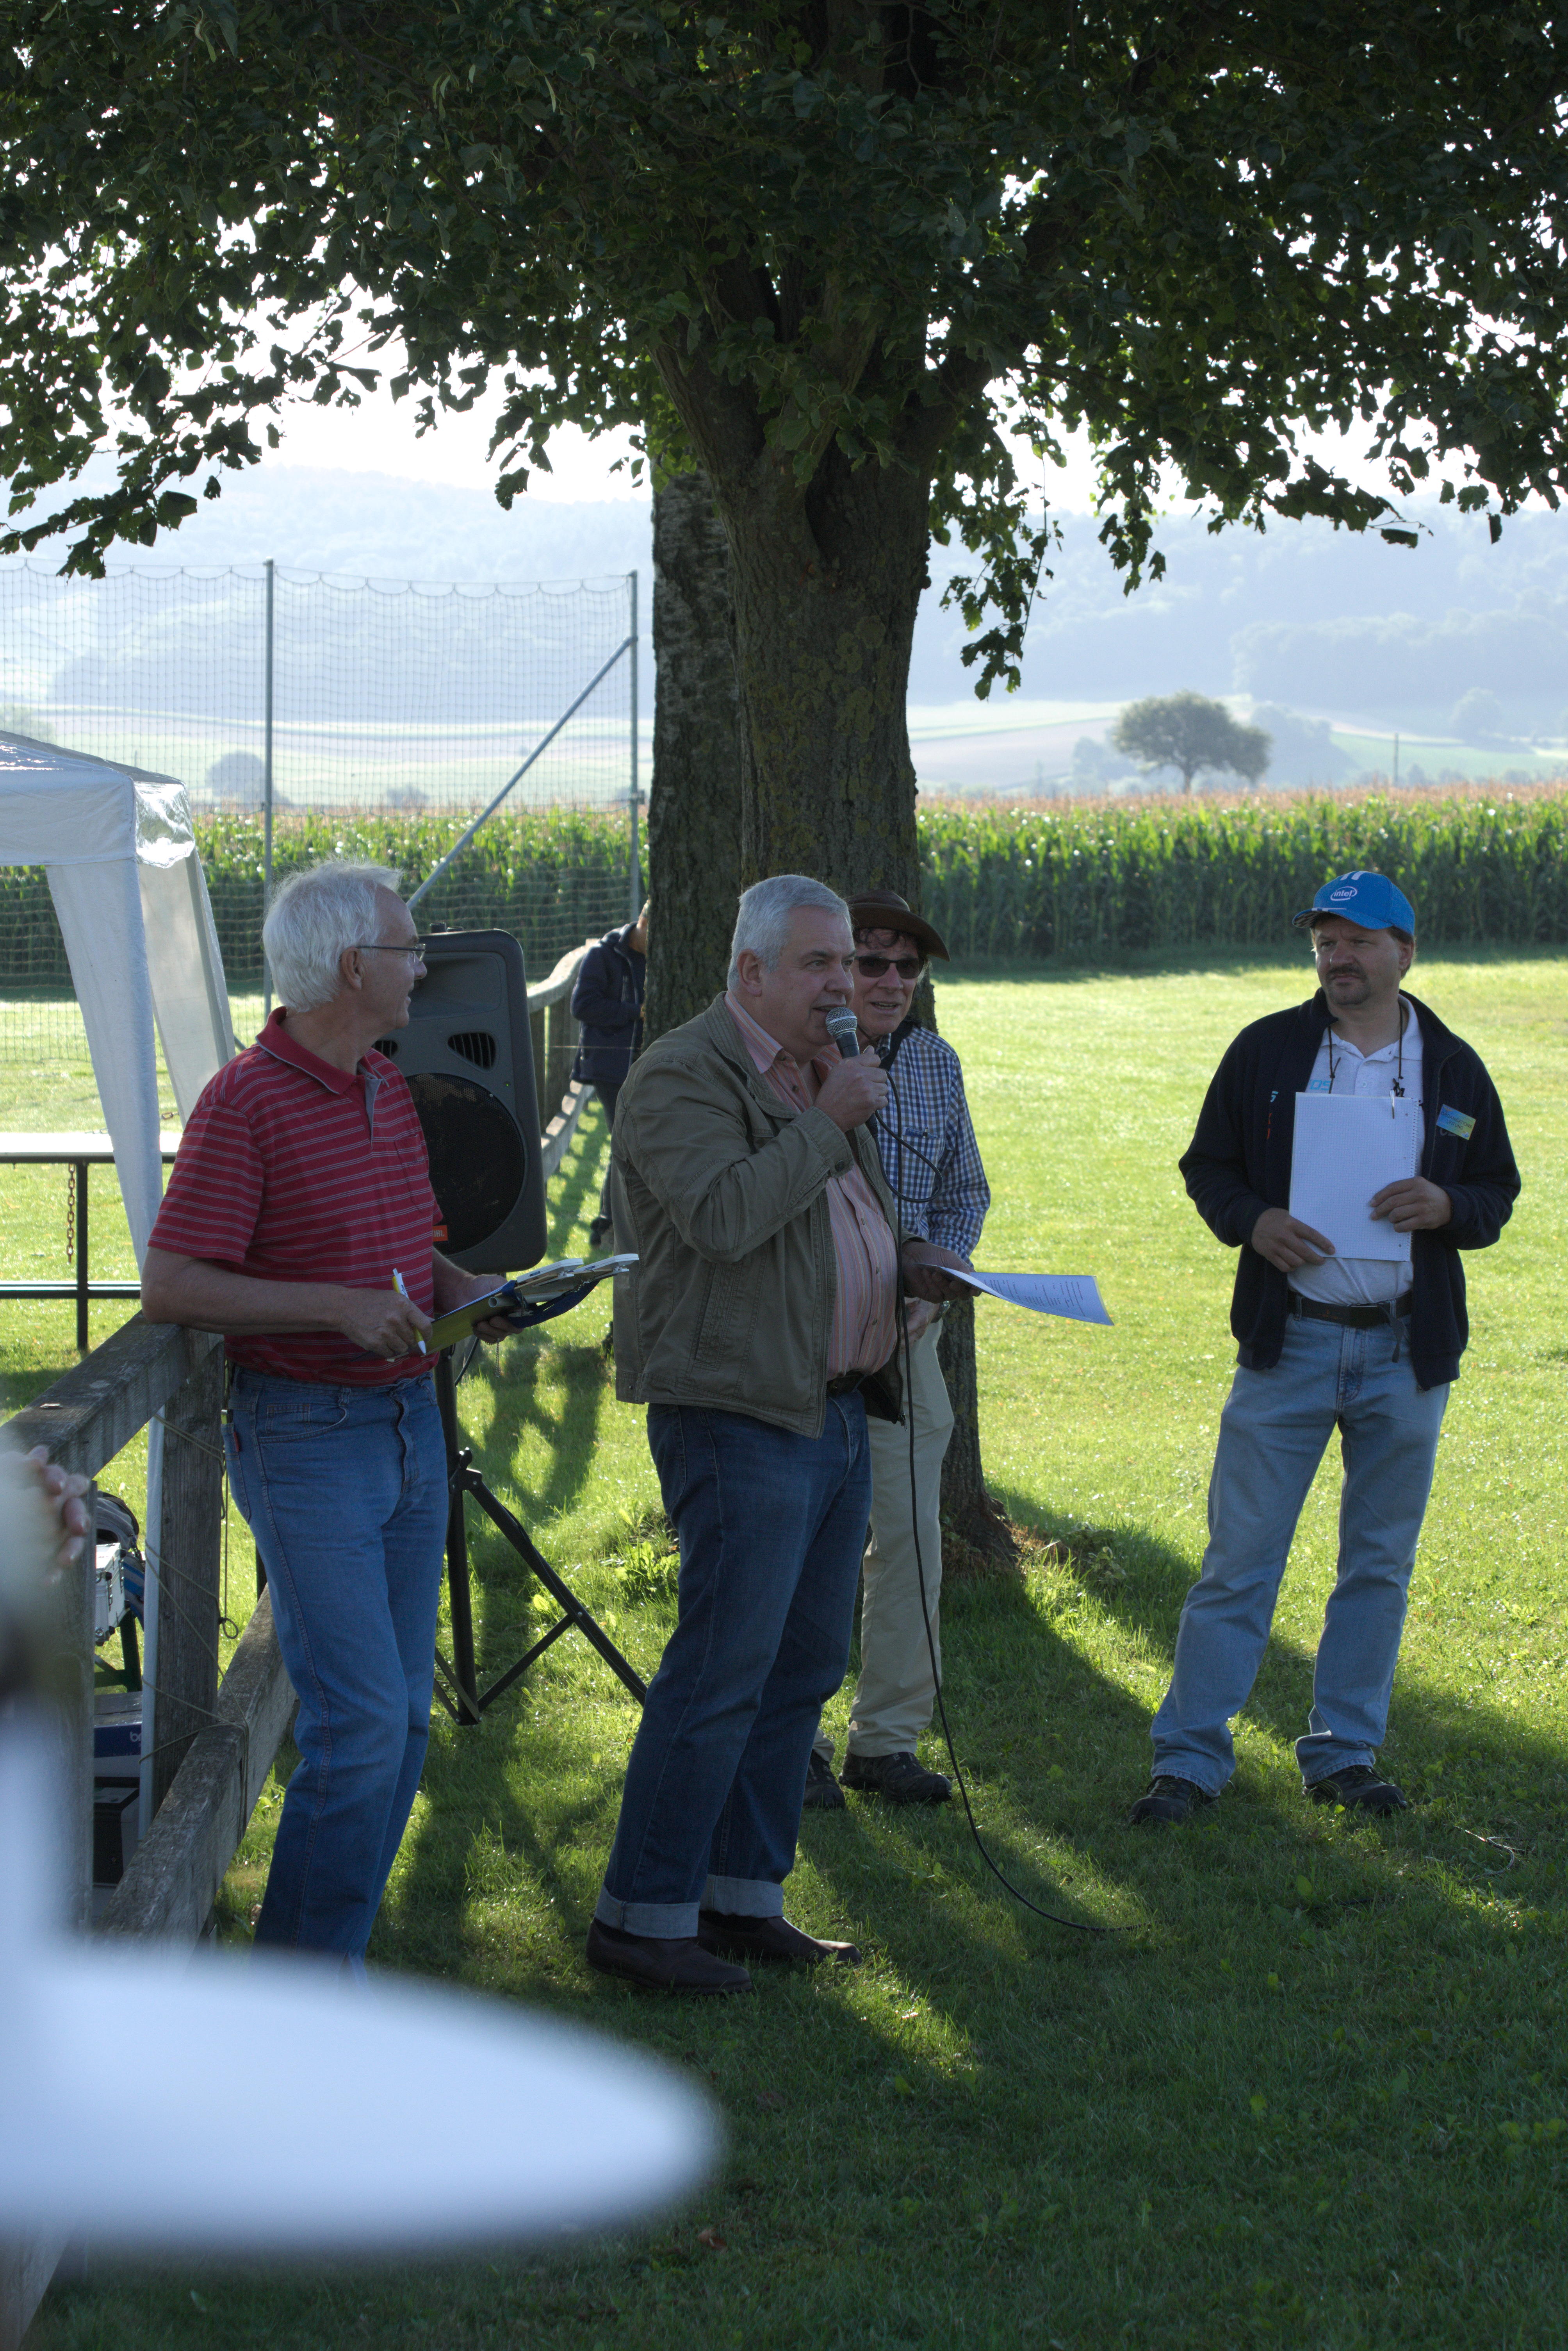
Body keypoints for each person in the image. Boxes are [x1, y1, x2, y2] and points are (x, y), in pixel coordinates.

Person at [588, 874, 971, 1992]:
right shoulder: (682, 1074)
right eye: (822, 964)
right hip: (739, 1413)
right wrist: (828, 1120)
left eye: (851, 962)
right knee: (722, 1670)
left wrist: (907, 1263)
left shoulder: (819, 1071)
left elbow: (844, 1226)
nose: (846, 985)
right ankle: (641, 1916)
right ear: (749, 971)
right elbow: (722, 1218)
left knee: (800, 1669)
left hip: (840, 1405)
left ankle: (742, 1896)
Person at [141, 861, 516, 1967]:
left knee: (399, 1723)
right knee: (360, 1731)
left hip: (406, 1427)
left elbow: (413, 1244)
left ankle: (321, 1975)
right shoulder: (244, 1101)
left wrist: (465, 1289)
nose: (422, 969)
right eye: (409, 950)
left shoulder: (384, 1084)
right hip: (307, 1436)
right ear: (355, 966)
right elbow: (171, 1284)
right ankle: (295, 2005)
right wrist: (334, 1306)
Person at [1131, 870, 1520, 1827]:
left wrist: (1448, 1203)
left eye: (1356, 941)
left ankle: (1343, 1754)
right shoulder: (1267, 1049)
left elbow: (1495, 1191)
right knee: (1238, 1561)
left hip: (1404, 1353)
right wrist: (1253, 1220)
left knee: (1376, 1567)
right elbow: (1207, 1165)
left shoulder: (1452, 1067)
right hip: (1289, 1344)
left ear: (1404, 953)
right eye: (1324, 943)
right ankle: (1188, 1760)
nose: (1336, 958)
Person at [805, 888, 988, 1810]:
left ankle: (884, 1741)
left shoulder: (933, 1063)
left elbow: (964, 1190)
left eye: (904, 966)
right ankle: (791, 1741)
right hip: (802, 1342)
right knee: (801, 1546)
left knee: (910, 1538)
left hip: (905, 1343)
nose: (888, 980)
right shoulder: (790, 1060)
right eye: (868, 961)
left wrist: (939, 1264)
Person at [571, 901, 649, 1245]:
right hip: (610, 1068)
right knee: (626, 1141)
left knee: (627, 1142)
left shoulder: (654, 956)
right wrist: (635, 1012)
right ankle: (608, 1223)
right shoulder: (602, 955)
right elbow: (582, 1005)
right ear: (642, 923)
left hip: (642, 1065)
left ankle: (611, 1223)